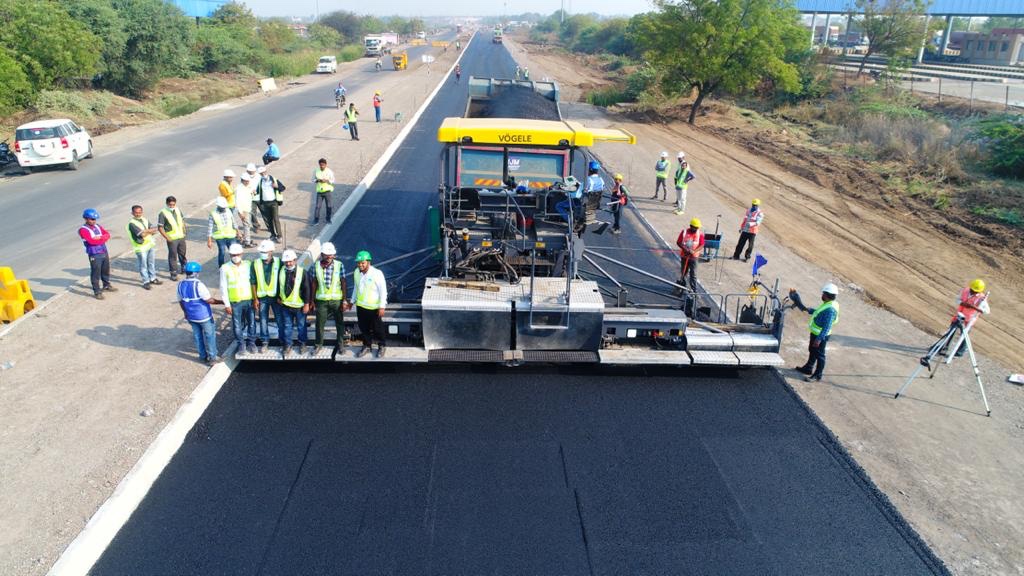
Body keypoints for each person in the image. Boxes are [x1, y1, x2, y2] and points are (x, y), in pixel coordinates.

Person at [177, 261, 222, 365]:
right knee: (210, 336)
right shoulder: (198, 285)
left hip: (191, 316)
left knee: (198, 336)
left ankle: (202, 356)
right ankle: (213, 357)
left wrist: (185, 312)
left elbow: (180, 301)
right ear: (196, 273)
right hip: (204, 316)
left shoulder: (180, 285)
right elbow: (209, 300)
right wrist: (222, 302)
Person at [307, 242, 346, 356]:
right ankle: (318, 345)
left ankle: (340, 345)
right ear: (322, 254)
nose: (329, 257)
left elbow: (343, 282)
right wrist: (312, 300)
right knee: (320, 324)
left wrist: (344, 300)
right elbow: (313, 283)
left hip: (336, 300)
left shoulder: (339, 265)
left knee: (339, 323)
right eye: (327, 254)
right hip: (322, 301)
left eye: (331, 254)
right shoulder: (316, 266)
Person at [794, 283, 840, 382]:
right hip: (816, 333)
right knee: (812, 350)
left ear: (827, 295)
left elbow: (827, 326)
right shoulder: (828, 304)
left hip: (821, 335)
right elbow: (820, 312)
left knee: (820, 355)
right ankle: (808, 368)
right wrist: (810, 310)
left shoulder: (830, 310)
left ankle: (817, 375)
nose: (822, 295)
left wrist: (819, 339)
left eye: (823, 293)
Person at [220, 242, 256, 356]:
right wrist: (227, 304)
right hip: (235, 302)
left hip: (248, 299)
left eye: (237, 254)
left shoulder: (248, 264)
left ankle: (251, 342)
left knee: (252, 322)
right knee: (237, 324)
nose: (235, 257)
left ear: (242, 253)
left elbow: (253, 282)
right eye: (233, 255)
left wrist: (255, 299)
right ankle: (241, 344)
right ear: (230, 255)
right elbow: (223, 286)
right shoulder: (225, 268)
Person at [350, 250, 388, 358]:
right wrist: (352, 301)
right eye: (359, 263)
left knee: (377, 328)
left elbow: (383, 291)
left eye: (363, 262)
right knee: (363, 328)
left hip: (373, 308)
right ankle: (367, 345)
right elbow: (356, 288)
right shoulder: (356, 272)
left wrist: (382, 306)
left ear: (368, 262)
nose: (360, 265)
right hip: (361, 306)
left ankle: (382, 345)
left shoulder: (377, 273)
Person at [944, 279, 990, 358]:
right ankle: (944, 347)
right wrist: (963, 303)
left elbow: (987, 311)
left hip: (968, 320)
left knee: (964, 336)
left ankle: (960, 352)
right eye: (972, 290)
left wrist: (975, 308)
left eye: (975, 291)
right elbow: (957, 299)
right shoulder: (965, 291)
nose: (973, 292)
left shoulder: (981, 299)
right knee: (950, 331)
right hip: (959, 316)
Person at [277, 249, 310, 356]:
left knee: (301, 326)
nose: (288, 263)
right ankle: (288, 345)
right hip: (286, 306)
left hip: (299, 306)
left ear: (295, 260)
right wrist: (278, 296)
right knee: (287, 326)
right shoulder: (281, 271)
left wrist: (306, 304)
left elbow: (306, 289)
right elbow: (279, 286)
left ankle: (302, 344)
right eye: (286, 262)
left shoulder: (302, 272)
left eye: (290, 261)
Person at [251, 240, 282, 354]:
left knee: (279, 319)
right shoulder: (255, 263)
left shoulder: (279, 262)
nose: (263, 253)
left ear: (271, 251)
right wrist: (255, 299)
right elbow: (253, 282)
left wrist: (281, 296)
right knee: (263, 320)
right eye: (261, 251)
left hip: (276, 297)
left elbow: (282, 280)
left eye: (265, 251)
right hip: (262, 297)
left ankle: (282, 341)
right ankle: (265, 342)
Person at [78, 209, 116, 299]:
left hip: (103, 251)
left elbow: (107, 234)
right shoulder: (83, 230)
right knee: (96, 272)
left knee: (105, 270)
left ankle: (106, 285)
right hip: (94, 254)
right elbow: (92, 242)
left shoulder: (97, 226)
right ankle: (97, 291)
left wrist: (99, 238)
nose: (94, 221)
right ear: (86, 219)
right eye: (92, 219)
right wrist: (102, 238)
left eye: (95, 219)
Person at [127, 205, 160, 289]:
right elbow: (142, 234)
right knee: (143, 265)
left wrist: (146, 231)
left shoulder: (145, 219)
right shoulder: (132, 224)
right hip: (141, 248)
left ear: (142, 212)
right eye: (136, 213)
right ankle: (146, 281)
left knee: (151, 263)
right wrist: (148, 231)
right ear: (132, 213)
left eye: (140, 212)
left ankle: (153, 278)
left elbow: (154, 230)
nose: (138, 214)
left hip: (149, 245)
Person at [158, 196, 187, 281]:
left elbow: (182, 221)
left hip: (181, 236)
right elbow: (160, 227)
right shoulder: (163, 213)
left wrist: (184, 231)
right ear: (167, 204)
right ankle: (173, 272)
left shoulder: (177, 210)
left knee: (182, 253)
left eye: (173, 204)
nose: (172, 206)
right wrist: (167, 238)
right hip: (172, 238)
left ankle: (183, 267)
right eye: (170, 205)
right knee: (173, 255)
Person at [207, 197, 242, 267]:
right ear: (218, 206)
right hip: (220, 237)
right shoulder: (213, 214)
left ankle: (236, 264)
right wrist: (209, 240)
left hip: (231, 236)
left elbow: (233, 222)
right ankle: (221, 267)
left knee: (234, 251)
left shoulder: (228, 211)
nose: (223, 208)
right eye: (222, 207)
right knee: (222, 252)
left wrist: (238, 232)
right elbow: (210, 228)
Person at [676, 218, 705, 292]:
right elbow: (679, 242)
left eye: (697, 227)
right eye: (695, 227)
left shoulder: (699, 234)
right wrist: (685, 249)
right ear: (691, 226)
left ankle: (693, 290)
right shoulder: (684, 232)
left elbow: (702, 245)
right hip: (684, 256)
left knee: (693, 274)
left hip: (694, 257)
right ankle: (682, 286)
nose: (697, 229)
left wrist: (694, 251)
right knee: (684, 272)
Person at [256, 166, 284, 242]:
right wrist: (254, 192)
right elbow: (257, 191)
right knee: (269, 220)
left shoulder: (274, 179)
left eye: (264, 173)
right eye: (261, 174)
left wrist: (277, 186)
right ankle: (273, 235)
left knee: (275, 219)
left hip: (273, 202)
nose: (263, 174)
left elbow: (283, 188)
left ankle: (279, 236)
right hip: (265, 203)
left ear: (266, 171)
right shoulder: (260, 181)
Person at [732, 198, 764, 262]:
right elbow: (745, 220)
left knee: (750, 245)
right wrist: (741, 228)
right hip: (745, 230)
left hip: (752, 232)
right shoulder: (749, 210)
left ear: (758, 205)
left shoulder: (760, 213)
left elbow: (758, 222)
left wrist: (751, 224)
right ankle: (736, 256)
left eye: (755, 205)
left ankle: (747, 257)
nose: (754, 206)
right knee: (740, 243)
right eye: (753, 204)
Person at [312, 158, 335, 225]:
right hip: (319, 192)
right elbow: (313, 180)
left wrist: (327, 181)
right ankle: (316, 220)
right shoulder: (316, 171)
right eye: (320, 165)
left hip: (327, 192)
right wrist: (317, 180)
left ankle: (328, 219)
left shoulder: (329, 171)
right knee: (317, 207)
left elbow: (333, 180)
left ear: (326, 165)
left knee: (328, 206)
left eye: (323, 165)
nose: (322, 166)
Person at [235, 172, 255, 247]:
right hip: (243, 210)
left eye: (248, 181)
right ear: (242, 180)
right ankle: (247, 242)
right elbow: (237, 201)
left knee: (247, 225)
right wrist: (240, 212)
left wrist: (253, 193)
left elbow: (250, 195)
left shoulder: (248, 186)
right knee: (246, 225)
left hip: (247, 208)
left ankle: (247, 239)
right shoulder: (239, 189)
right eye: (246, 181)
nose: (247, 182)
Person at [244, 163, 261, 232]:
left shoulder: (259, 176)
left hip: (260, 197)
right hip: (250, 198)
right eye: (249, 171)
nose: (251, 172)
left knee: (265, 212)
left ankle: (269, 226)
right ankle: (256, 226)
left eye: (252, 171)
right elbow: (244, 187)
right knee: (253, 213)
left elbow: (261, 185)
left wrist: (257, 191)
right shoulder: (244, 176)